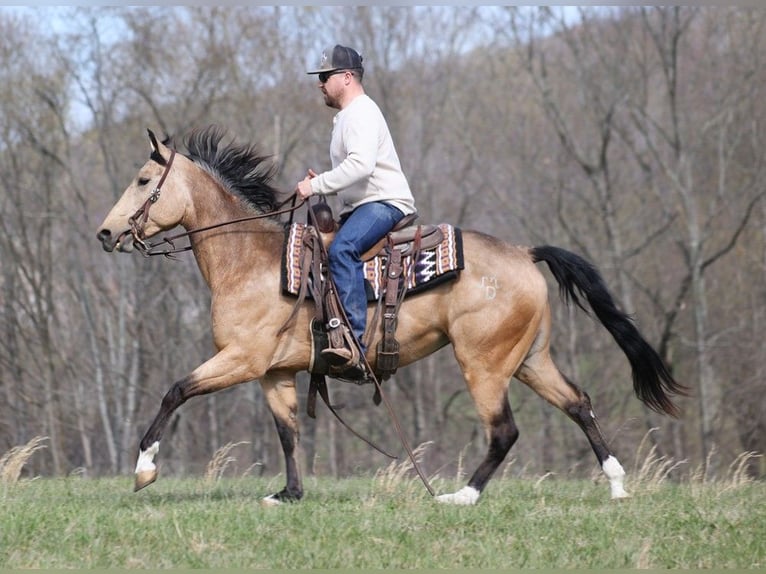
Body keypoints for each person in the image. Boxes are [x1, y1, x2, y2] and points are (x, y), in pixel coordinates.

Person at [295, 44, 417, 367]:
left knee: (342, 250)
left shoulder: (361, 112)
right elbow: (355, 172)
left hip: (384, 203)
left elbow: (361, 166)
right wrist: (325, 179)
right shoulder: (347, 117)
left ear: (346, 77)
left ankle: (353, 343)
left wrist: (317, 185)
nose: (319, 83)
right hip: (366, 204)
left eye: (324, 76)